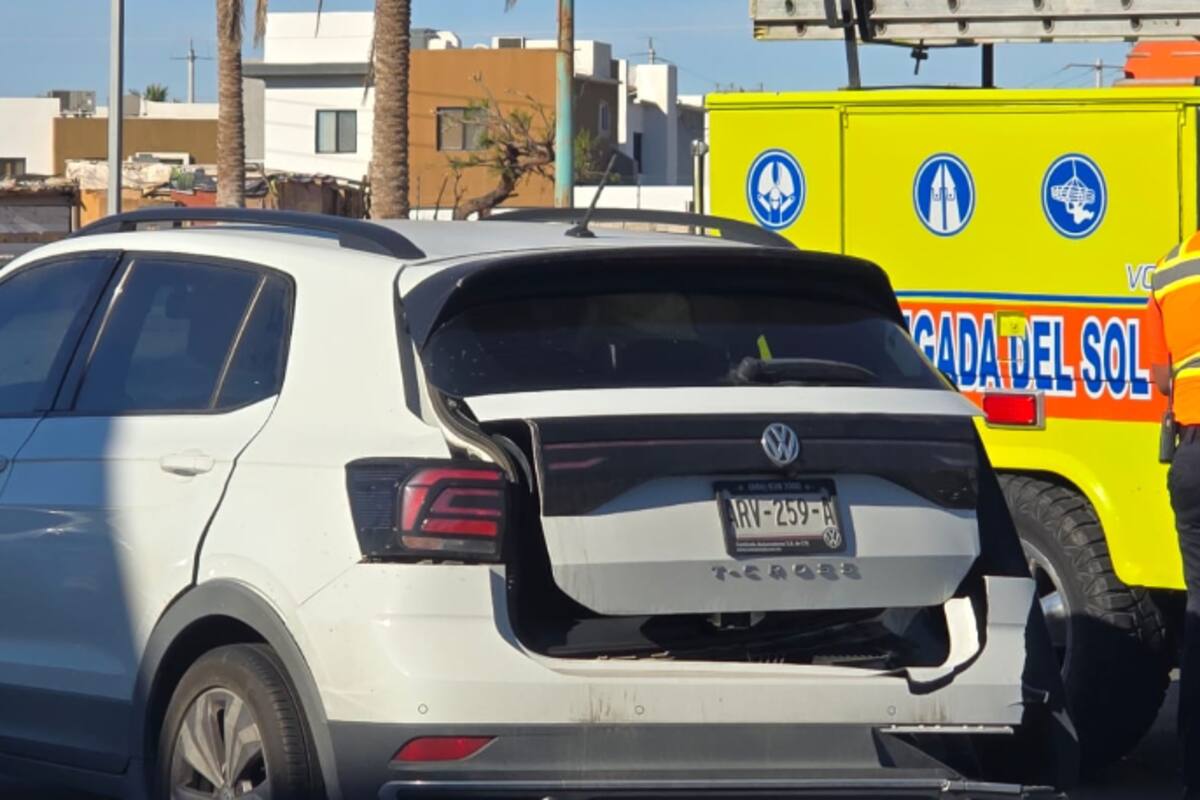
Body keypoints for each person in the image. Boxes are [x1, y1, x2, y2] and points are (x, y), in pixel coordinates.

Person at [1147, 231, 1200, 799]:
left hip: (1191, 460)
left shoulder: (1168, 271)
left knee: (1199, 617)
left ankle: (1193, 777)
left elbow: (1161, 378)